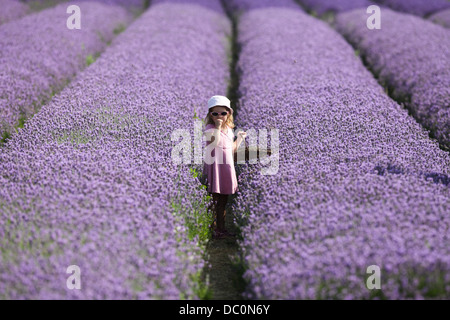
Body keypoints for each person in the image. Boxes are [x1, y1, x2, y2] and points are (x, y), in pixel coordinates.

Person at [202, 95, 246, 239]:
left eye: (223, 113)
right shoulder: (209, 129)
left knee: (223, 201)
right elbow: (214, 143)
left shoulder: (228, 129)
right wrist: (218, 127)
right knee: (214, 201)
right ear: (210, 115)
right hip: (215, 168)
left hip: (226, 168)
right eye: (215, 113)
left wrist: (239, 138)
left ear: (229, 114)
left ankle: (222, 228)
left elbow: (232, 148)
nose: (219, 116)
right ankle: (212, 229)